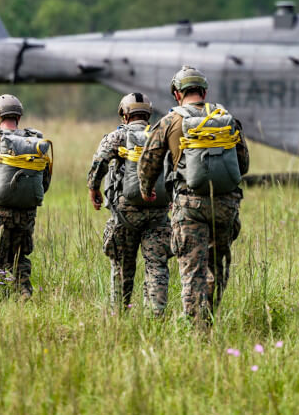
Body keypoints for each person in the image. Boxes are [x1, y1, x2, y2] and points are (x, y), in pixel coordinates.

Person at [139, 66, 249, 325]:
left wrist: (146, 189)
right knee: (216, 267)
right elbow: (243, 164)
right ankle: (208, 318)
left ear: (177, 94)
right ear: (204, 91)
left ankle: (195, 328)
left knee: (192, 270)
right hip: (225, 204)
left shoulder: (170, 121)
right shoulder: (226, 117)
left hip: (190, 204)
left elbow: (148, 161)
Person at [87, 92, 171, 315]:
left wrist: (94, 188)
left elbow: (99, 164)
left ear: (124, 115)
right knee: (157, 266)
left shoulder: (117, 137)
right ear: (148, 114)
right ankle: (156, 315)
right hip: (158, 212)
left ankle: (119, 314)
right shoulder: (161, 134)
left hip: (126, 214)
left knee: (122, 267)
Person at [0, 94, 51, 297]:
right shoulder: (35, 142)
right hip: (26, 215)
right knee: (20, 258)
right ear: (18, 117)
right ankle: (24, 294)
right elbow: (44, 182)